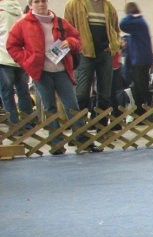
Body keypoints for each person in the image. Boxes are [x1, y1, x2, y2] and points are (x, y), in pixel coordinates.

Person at [7, 0, 102, 154]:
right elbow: (12, 46)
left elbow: (78, 40)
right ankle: (56, 144)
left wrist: (70, 42)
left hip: (62, 70)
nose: (40, 4)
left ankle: (82, 140)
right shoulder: (22, 24)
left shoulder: (60, 22)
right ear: (30, 5)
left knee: (72, 106)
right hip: (41, 72)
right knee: (49, 107)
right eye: (36, 2)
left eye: (43, 1)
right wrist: (27, 60)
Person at [63, 0, 121, 125]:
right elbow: (67, 29)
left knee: (105, 94)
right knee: (82, 93)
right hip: (84, 54)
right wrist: (77, 46)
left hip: (105, 54)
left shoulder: (108, 6)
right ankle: (80, 132)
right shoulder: (74, 4)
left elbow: (116, 29)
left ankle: (102, 129)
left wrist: (114, 44)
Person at [0, 0, 34, 128]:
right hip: (20, 58)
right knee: (23, 90)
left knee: (7, 93)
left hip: (3, 57)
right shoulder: (20, 12)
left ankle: (14, 125)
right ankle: (28, 123)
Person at [119, 2, 153, 115]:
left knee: (140, 88)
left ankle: (142, 112)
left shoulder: (138, 22)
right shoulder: (140, 24)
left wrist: (131, 15)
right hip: (142, 60)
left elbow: (122, 24)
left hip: (140, 61)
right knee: (140, 87)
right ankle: (141, 110)